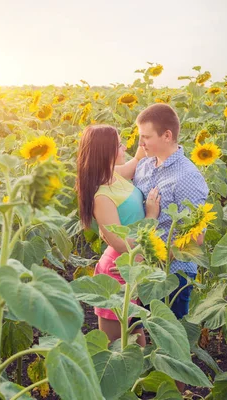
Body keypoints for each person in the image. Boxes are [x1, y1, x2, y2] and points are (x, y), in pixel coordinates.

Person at [76, 124, 158, 346]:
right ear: (105, 152)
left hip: (132, 269)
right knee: (116, 351)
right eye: (119, 145)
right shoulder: (101, 196)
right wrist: (151, 216)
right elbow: (122, 244)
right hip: (117, 273)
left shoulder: (114, 175)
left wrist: (146, 142)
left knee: (136, 350)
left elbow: (135, 163)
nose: (124, 148)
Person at [132, 103, 209, 319]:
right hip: (146, 269)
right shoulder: (145, 166)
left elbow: (197, 235)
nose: (140, 143)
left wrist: (162, 258)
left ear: (167, 135)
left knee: (168, 339)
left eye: (146, 137)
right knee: (143, 334)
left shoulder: (187, 176)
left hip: (174, 273)